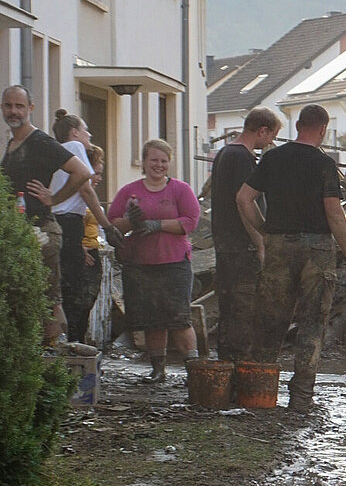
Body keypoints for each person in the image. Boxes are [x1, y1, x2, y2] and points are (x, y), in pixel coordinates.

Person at [235, 105, 346, 413]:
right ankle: (301, 400)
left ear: (297, 125)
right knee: (311, 324)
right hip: (317, 251)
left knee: (270, 321)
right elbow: (334, 213)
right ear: (322, 130)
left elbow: (243, 198)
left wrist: (266, 231)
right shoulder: (323, 163)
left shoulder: (272, 158)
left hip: (279, 246)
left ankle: (259, 394)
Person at [1, 85, 97, 345]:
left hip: (41, 233)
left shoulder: (39, 141)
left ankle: (53, 362)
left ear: (30, 109)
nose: (13, 111)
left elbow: (82, 173)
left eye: (19, 106)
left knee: (48, 303)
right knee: (25, 302)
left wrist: (53, 198)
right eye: (8, 105)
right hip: (20, 234)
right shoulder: (13, 143)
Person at [108, 140, 202, 382]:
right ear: (144, 161)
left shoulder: (180, 190)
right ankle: (158, 370)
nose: (158, 165)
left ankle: (193, 369)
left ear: (169, 163)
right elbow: (112, 223)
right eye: (154, 160)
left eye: (163, 161)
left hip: (174, 262)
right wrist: (130, 220)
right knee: (151, 320)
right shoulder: (129, 191)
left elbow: (191, 220)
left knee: (179, 318)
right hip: (140, 264)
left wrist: (156, 224)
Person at [207, 108, 282, 362]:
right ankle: (239, 369)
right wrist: (260, 242)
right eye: (271, 135)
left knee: (229, 309)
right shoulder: (241, 157)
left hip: (227, 244)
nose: (270, 142)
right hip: (241, 246)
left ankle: (227, 367)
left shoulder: (225, 153)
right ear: (262, 130)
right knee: (243, 310)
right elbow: (243, 204)